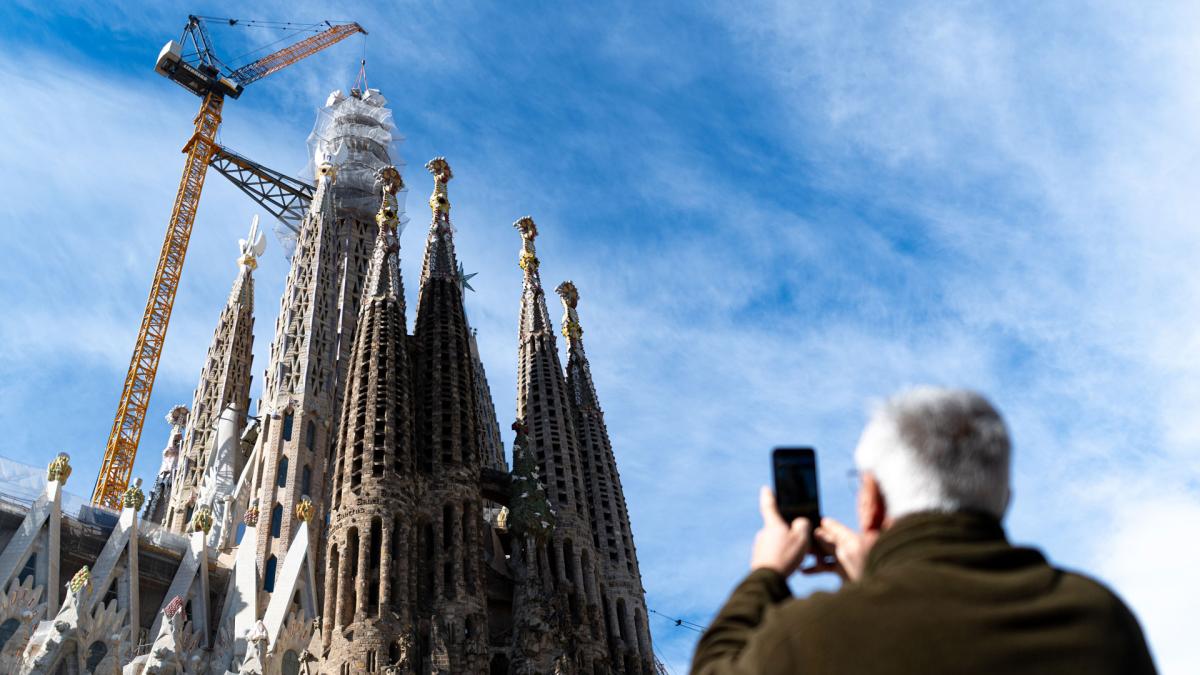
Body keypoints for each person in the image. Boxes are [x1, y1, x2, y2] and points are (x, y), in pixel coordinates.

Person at [691, 387, 1156, 675]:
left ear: (871, 501)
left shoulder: (811, 635)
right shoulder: (1101, 620)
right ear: (1003, 499)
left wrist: (766, 574)